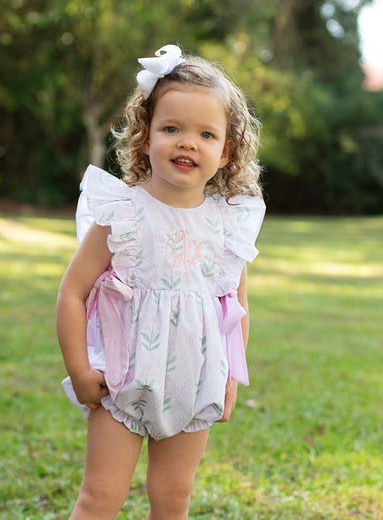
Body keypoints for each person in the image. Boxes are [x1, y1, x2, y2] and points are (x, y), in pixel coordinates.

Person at [56, 44, 265, 520]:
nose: (187, 142)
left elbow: (235, 304)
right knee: (100, 498)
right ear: (145, 135)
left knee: (174, 499)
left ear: (226, 149)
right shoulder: (123, 214)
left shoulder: (227, 224)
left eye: (206, 133)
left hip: (195, 383)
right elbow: (73, 291)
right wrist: (81, 369)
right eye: (172, 128)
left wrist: (231, 375)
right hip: (122, 383)